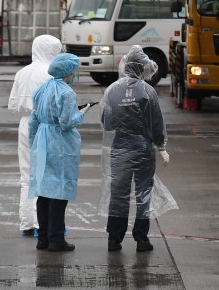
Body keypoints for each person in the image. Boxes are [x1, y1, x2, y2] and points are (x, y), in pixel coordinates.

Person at [99, 46, 172, 253]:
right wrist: (161, 146)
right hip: (142, 149)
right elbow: (156, 123)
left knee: (118, 194)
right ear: (142, 68)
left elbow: (107, 123)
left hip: (119, 148)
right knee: (143, 193)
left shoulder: (112, 90)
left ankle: (114, 239)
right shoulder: (147, 91)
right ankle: (141, 239)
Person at [28, 53, 94, 252]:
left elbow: (33, 119)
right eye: (74, 71)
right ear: (69, 72)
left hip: (42, 139)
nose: (75, 74)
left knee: (44, 189)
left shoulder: (41, 89)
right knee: (59, 190)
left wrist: (34, 143)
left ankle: (43, 238)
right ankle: (56, 238)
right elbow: (66, 122)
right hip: (60, 144)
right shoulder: (66, 93)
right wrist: (81, 113)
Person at [8, 34, 61, 237]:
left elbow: (13, 105)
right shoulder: (51, 74)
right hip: (45, 126)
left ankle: (27, 223)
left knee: (26, 175)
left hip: (25, 124)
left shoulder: (22, 72)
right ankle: (42, 224)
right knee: (45, 175)